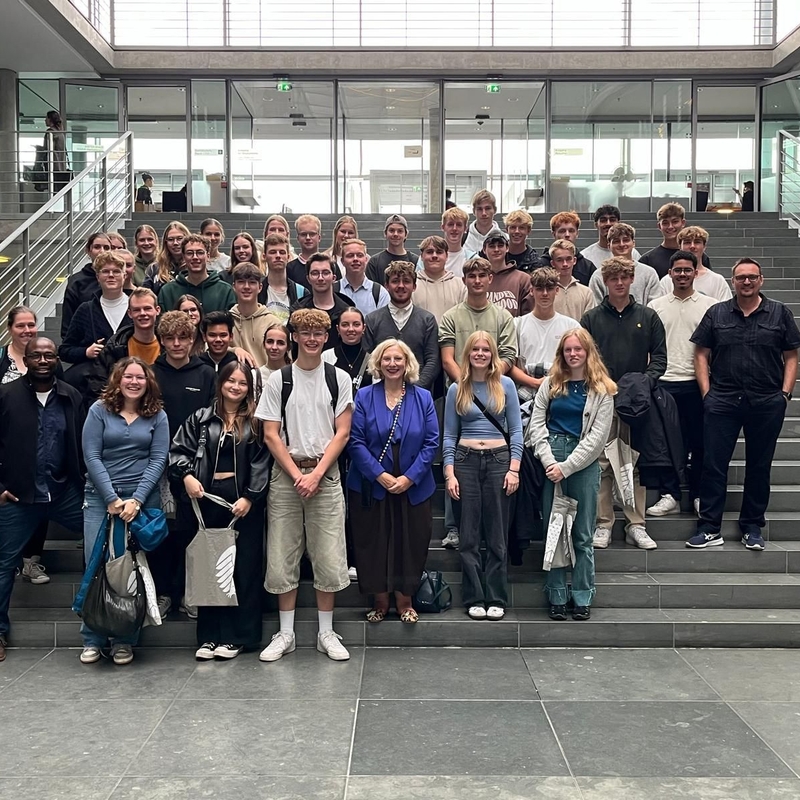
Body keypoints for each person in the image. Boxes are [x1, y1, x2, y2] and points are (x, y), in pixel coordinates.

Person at [256, 308, 354, 663]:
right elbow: (270, 434)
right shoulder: (278, 379)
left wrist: (315, 474)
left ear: (326, 337)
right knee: (282, 554)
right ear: (294, 337)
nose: (312, 339)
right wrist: (298, 476)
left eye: (318, 333)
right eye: (305, 333)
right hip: (286, 476)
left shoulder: (338, 378)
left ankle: (326, 632)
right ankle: (286, 633)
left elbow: (343, 432)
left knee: (328, 555)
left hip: (325, 474)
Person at [689, 258, 800, 550]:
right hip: (723, 400)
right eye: (741, 277)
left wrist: (785, 394)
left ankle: (752, 527)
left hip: (766, 401)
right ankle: (709, 527)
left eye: (752, 277)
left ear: (761, 280)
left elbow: (791, 355)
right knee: (714, 465)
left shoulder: (779, 313)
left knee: (759, 466)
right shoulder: (717, 313)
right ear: (733, 281)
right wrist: (707, 394)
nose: (746, 282)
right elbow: (700, 354)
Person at [170, 361, 271, 660]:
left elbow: (262, 462)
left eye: (242, 383)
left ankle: (239, 637)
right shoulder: (200, 419)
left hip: (243, 505)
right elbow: (178, 451)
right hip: (206, 502)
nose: (236, 387)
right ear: (220, 383)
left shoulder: (256, 422)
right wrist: (186, 476)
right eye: (231, 381)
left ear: (249, 388)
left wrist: (251, 497)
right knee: (209, 569)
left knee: (243, 570)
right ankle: (209, 637)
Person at [0, 337, 85, 662]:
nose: (43, 360)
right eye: (36, 355)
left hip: (64, 493)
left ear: (57, 359)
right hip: (18, 497)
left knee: (104, 539)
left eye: (49, 355)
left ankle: (104, 621)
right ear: (26, 359)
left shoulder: (70, 396)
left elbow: (82, 443)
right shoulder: (6, 395)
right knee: (3, 565)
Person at [80, 357, 169, 665]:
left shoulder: (157, 415)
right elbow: (91, 455)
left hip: (140, 502)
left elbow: (158, 460)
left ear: (148, 382)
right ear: (118, 380)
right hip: (100, 500)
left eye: (139, 377)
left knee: (130, 571)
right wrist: (111, 497)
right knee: (96, 565)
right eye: (128, 377)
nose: (134, 382)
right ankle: (93, 637)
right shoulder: (98, 411)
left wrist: (137, 500)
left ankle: (125, 639)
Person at [528, 328, 616, 621]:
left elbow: (597, 439)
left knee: (582, 534)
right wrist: (549, 461)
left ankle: (582, 595)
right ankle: (556, 595)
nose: (573, 354)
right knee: (553, 532)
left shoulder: (603, 390)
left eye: (578, 349)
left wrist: (566, 467)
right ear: (561, 353)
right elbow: (536, 425)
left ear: (588, 352)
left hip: (583, 464)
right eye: (568, 349)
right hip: (551, 458)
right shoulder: (551, 383)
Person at [347, 339, 438, 623]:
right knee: (373, 542)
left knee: (410, 541)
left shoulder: (423, 397)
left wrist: (410, 478)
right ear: (378, 363)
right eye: (386, 359)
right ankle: (380, 600)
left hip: (413, 484)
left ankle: (405, 601)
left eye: (398, 359)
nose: (392, 364)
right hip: (372, 483)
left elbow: (431, 442)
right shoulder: (364, 396)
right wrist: (380, 475)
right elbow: (355, 441)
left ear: (407, 363)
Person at [581, 257, 667, 551]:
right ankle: (603, 524)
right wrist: (599, 383)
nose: (619, 283)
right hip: (600, 398)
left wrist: (643, 383)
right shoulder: (591, 318)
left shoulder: (648, 316)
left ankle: (636, 524)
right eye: (613, 278)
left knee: (633, 462)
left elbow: (659, 358)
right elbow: (582, 357)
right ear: (605, 282)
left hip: (636, 402)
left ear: (632, 279)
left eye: (624, 277)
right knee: (601, 463)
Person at [444, 332, 522, 620]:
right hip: (465, 461)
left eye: (485, 349)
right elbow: (449, 434)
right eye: (475, 349)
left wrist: (514, 468)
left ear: (493, 354)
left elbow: (516, 430)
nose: (480, 353)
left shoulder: (506, 384)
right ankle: (475, 597)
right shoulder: (457, 388)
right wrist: (449, 473)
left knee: (497, 534)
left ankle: (496, 597)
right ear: (467, 354)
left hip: (499, 460)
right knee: (468, 536)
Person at [150, 312, 216, 618]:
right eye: (170, 338)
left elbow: (213, 419)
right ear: (161, 341)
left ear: (193, 340)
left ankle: (190, 592)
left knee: (192, 531)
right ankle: (164, 592)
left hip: (195, 467)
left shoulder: (206, 374)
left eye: (183, 337)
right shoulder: (151, 374)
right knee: (162, 533)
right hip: (157, 468)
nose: (177, 344)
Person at [647, 251, 720, 518]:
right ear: (669, 274)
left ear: (695, 272)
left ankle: (699, 494)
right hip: (664, 382)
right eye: (677, 270)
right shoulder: (655, 306)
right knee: (665, 444)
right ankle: (670, 495)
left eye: (687, 270)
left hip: (697, 383)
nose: (682, 274)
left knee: (700, 442)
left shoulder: (711, 306)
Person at [59, 251, 133, 392]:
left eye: (116, 271)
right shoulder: (86, 310)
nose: (111, 275)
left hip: (132, 382)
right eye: (105, 271)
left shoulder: (137, 307)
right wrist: (86, 352)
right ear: (97, 277)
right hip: (95, 387)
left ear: (124, 276)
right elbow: (65, 350)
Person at [363, 261, 440, 392]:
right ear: (386, 286)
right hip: (381, 394)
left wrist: (415, 391)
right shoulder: (372, 319)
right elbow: (368, 360)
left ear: (414, 286)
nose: (401, 286)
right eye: (395, 281)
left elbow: (433, 361)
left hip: (418, 395)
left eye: (406, 281)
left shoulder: (427, 320)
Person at [511, 268, 580, 401]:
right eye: (539, 289)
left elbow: (580, 363)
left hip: (562, 392)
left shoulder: (572, 326)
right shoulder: (517, 325)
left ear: (557, 290)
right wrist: (535, 383)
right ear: (531, 291)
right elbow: (510, 365)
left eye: (549, 288)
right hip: (525, 395)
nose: (544, 293)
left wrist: (554, 381)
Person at [88, 288, 162, 401]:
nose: (143, 313)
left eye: (147, 308)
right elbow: (97, 389)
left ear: (157, 310)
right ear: (130, 313)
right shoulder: (113, 349)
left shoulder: (169, 347)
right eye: (137, 310)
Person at [291, 252, 355, 351]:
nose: (320, 278)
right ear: (308, 279)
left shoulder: (347, 311)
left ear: (334, 278)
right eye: (315, 273)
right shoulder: (298, 311)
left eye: (325, 273)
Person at [157, 234, 236, 314]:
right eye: (189, 253)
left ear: (208, 256)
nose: (195, 257)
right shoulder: (168, 292)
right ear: (183, 257)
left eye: (200, 253)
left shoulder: (225, 291)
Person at [588, 223, 664, 306]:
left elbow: (655, 306)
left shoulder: (649, 273)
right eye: (616, 241)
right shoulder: (598, 276)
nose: (621, 244)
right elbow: (595, 308)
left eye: (626, 240)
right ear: (609, 246)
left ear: (633, 243)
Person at [639, 203, 711, 279]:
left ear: (683, 223)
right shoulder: (647, 260)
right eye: (665, 223)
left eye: (675, 222)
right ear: (659, 226)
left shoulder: (699, 256)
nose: (670, 226)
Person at [61, 232, 112, 339]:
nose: (102, 251)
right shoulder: (76, 281)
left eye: (106, 248)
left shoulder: (118, 279)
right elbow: (68, 320)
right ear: (88, 251)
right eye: (97, 247)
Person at [230, 262, 281, 368]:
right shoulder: (227, 320)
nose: (246, 287)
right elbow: (212, 348)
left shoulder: (273, 323)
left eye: (252, 282)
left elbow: (284, 360)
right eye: (241, 282)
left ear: (260, 287)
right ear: (234, 286)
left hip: (265, 377)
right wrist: (234, 350)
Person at [659, 227, 730, 301]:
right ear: (680, 247)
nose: (692, 246)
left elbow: (725, 307)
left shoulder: (717, 281)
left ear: (704, 247)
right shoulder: (666, 281)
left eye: (697, 242)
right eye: (687, 242)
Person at [414, 235, 467, 323]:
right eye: (430, 252)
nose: (434, 256)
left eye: (439, 252)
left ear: (447, 256)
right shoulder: (411, 285)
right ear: (422, 256)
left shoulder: (461, 285)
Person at [482, 231, 532, 317]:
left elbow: (528, 316)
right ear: (484, 250)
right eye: (492, 246)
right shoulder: (478, 279)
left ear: (507, 248)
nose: (496, 250)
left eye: (500, 246)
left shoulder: (523, 279)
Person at [540, 212, 596, 286]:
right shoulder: (541, 265)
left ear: (577, 233)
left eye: (571, 231)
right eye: (562, 231)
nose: (567, 235)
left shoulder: (587, 267)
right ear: (554, 234)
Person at [262, 233, 307, 321]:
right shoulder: (257, 291)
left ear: (288, 257)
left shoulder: (302, 292)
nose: (278, 256)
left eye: (282, 252)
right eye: (272, 252)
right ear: (264, 256)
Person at [338, 239, 390, 315]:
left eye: (360, 255)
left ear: (366, 259)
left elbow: (384, 321)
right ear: (342, 261)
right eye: (350, 255)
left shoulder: (380, 293)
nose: (355, 259)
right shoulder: (333, 291)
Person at [549, 239, 596, 321]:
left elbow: (590, 322)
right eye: (559, 260)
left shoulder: (586, 293)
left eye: (568, 259)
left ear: (574, 261)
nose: (565, 264)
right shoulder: (546, 293)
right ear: (552, 263)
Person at [323, 308, 368, 393]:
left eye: (356, 324)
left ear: (363, 328)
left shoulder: (373, 360)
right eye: (345, 325)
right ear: (338, 329)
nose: (351, 329)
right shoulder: (326, 356)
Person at [366, 215, 418, 286]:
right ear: (385, 233)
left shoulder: (415, 261)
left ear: (406, 234)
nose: (395, 234)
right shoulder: (374, 262)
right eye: (391, 230)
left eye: (400, 231)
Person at [144, 221, 190, 294]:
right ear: (165, 242)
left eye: (179, 238)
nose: (175, 243)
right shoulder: (154, 269)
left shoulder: (194, 265)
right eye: (171, 239)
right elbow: (145, 295)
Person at [287, 214, 323, 290]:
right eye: (303, 234)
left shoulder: (330, 265)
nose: (308, 238)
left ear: (319, 237)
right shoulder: (289, 268)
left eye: (312, 234)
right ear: (298, 238)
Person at [464, 189, 501, 255]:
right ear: (474, 211)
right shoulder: (463, 239)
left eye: (487, 208)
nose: (484, 213)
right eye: (479, 209)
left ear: (495, 210)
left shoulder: (505, 239)